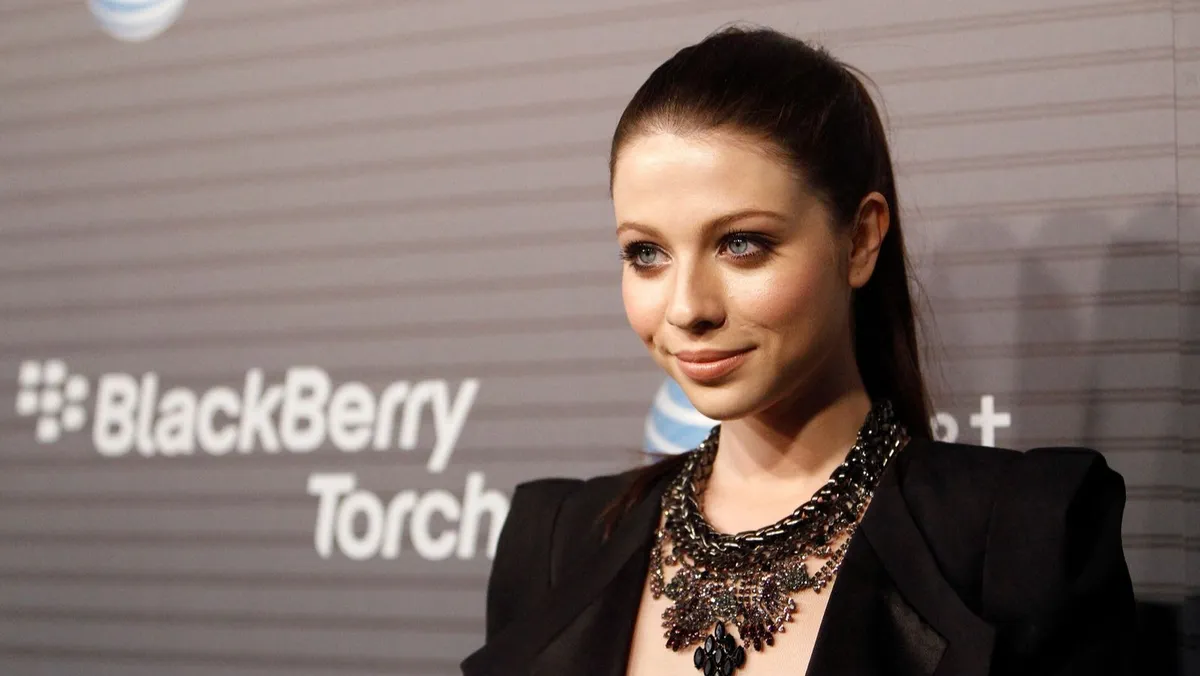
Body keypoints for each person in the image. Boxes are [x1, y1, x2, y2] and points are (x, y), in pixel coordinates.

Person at [460, 25, 1135, 676]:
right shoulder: (554, 548)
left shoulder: (1022, 540)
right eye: (646, 253)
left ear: (860, 240)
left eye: (740, 244)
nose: (688, 308)